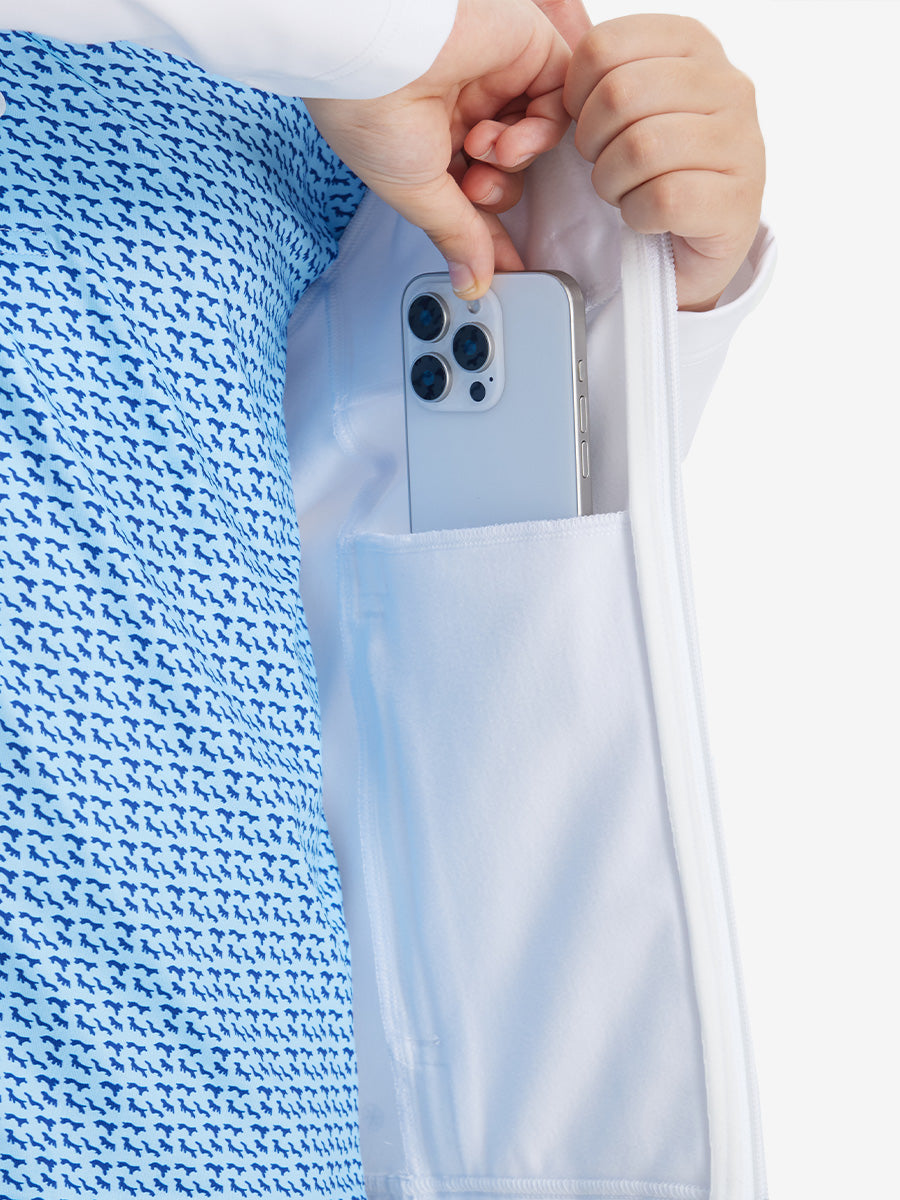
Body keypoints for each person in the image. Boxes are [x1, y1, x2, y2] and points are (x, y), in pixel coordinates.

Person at [0, 3, 770, 1198]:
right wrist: (386, 29)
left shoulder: (336, 67)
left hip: (234, 1084)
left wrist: (631, 273)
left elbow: (345, 504)